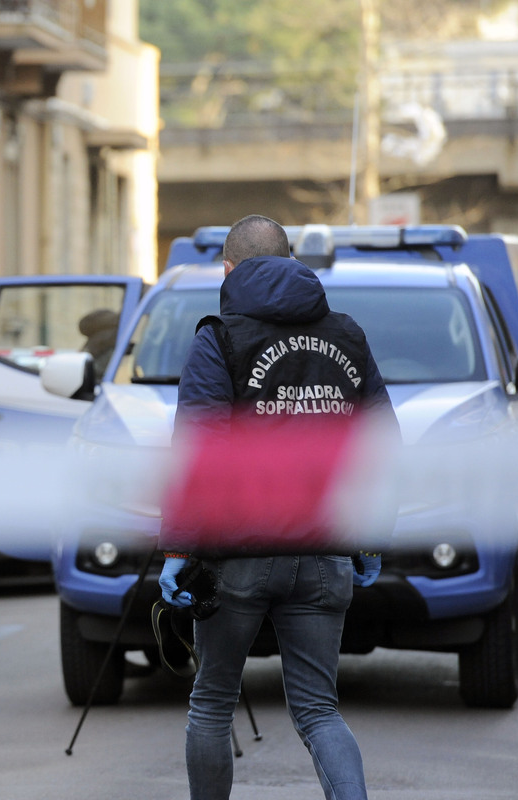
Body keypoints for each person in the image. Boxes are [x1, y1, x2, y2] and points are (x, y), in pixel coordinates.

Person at [157, 214, 400, 800]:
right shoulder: (346, 336)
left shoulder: (220, 339)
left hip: (236, 557)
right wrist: (371, 536)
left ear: (228, 270)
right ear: (293, 261)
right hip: (324, 553)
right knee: (319, 710)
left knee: (212, 703)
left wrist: (178, 550)